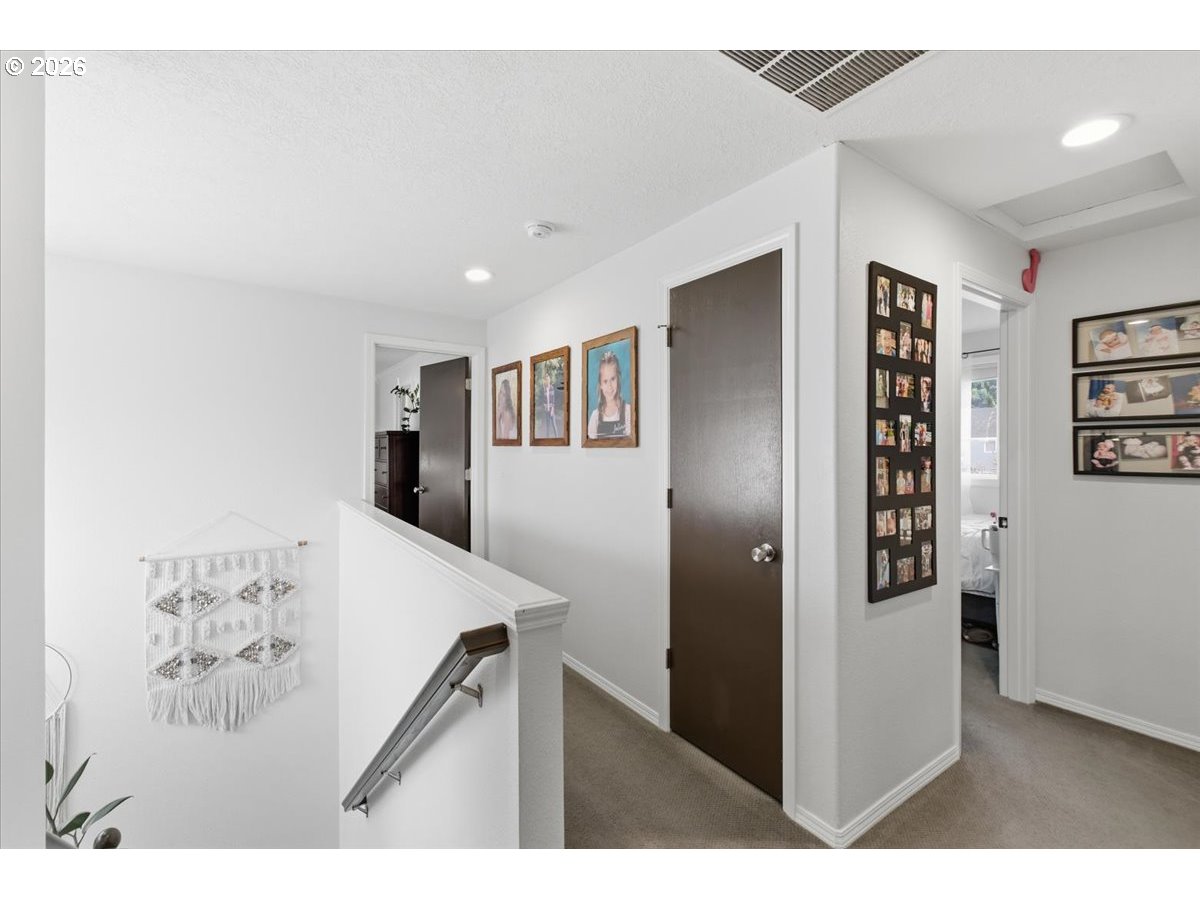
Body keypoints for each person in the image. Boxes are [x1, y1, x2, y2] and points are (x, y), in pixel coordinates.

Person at [587, 350, 632, 439]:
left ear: (618, 379)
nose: (609, 386)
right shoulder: (595, 417)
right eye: (605, 381)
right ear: (600, 385)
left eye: (612, 379)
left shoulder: (628, 412)